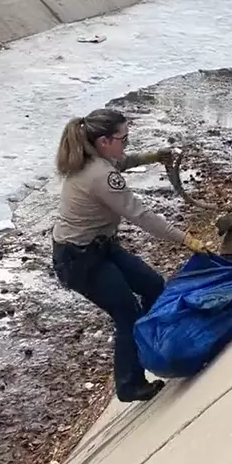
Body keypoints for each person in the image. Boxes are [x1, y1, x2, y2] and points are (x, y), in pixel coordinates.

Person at [51, 108, 208, 403]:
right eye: (124, 138)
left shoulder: (95, 158)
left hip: (100, 247)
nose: (127, 142)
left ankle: (157, 347)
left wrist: (154, 157)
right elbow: (142, 216)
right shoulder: (100, 175)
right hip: (79, 261)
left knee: (153, 286)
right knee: (126, 313)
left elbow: (123, 162)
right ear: (104, 141)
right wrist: (186, 239)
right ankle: (129, 384)